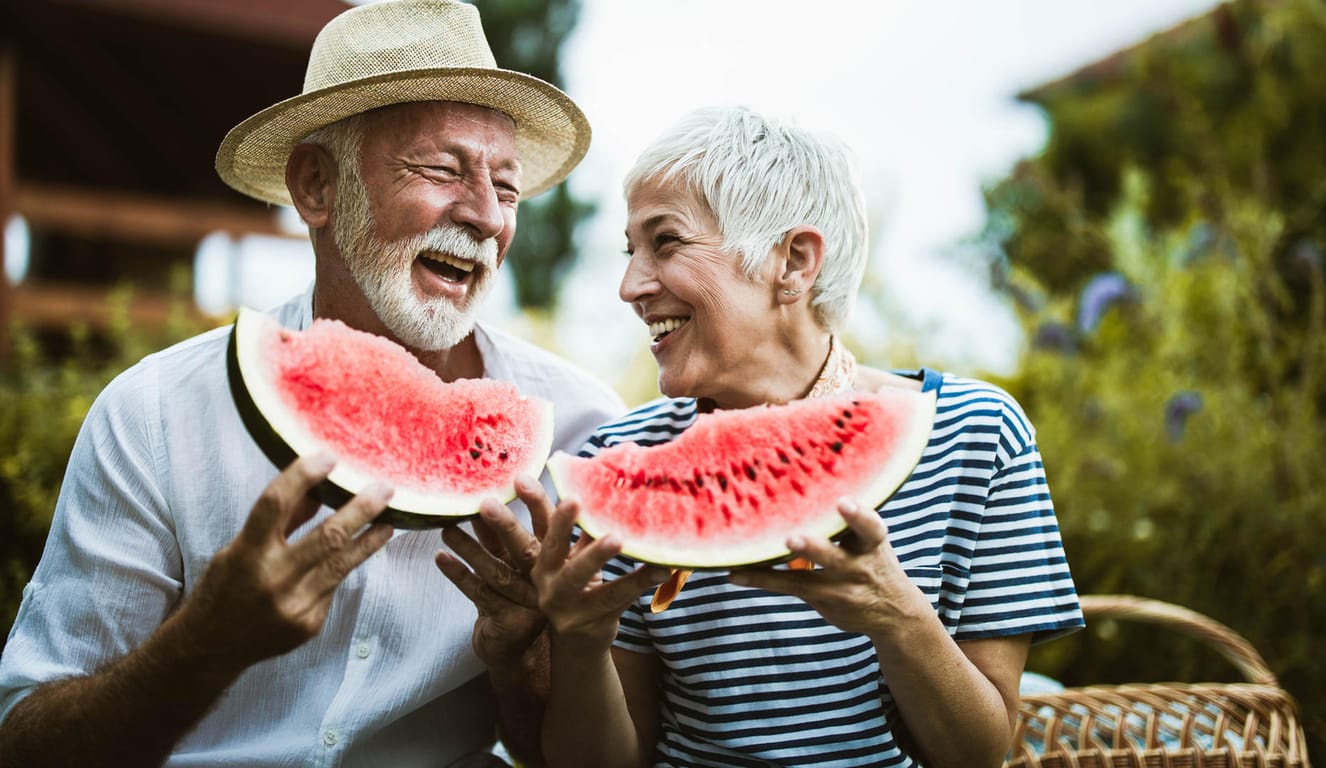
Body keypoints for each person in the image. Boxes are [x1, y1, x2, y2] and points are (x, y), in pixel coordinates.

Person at [0, 1, 623, 766]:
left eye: (507, 185)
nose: (488, 217)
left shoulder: (581, 430)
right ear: (317, 186)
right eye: (442, 169)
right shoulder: (156, 414)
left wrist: (520, 663)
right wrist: (202, 648)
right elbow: (25, 744)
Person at [522, 106, 1086, 768]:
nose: (630, 285)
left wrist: (896, 618)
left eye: (665, 242)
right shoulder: (619, 463)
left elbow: (979, 755)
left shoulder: (975, 434)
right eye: (630, 250)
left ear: (793, 261)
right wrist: (581, 642)